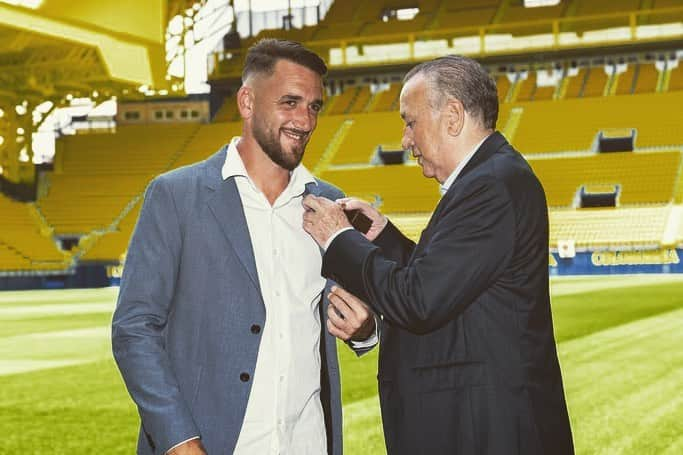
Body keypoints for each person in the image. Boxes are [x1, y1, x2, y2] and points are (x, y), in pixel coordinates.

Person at [112, 39, 375, 455]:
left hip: (308, 444)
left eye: (314, 106)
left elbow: (348, 310)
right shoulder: (176, 196)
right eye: (290, 102)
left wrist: (365, 331)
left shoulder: (329, 202)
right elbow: (134, 329)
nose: (305, 120)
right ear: (247, 102)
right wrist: (180, 442)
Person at [302, 55, 574, 454]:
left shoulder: (490, 186)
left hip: (489, 432)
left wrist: (338, 238)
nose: (405, 140)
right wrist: (383, 236)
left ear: (452, 117)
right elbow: (454, 280)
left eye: (410, 122)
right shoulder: (491, 177)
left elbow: (419, 300)